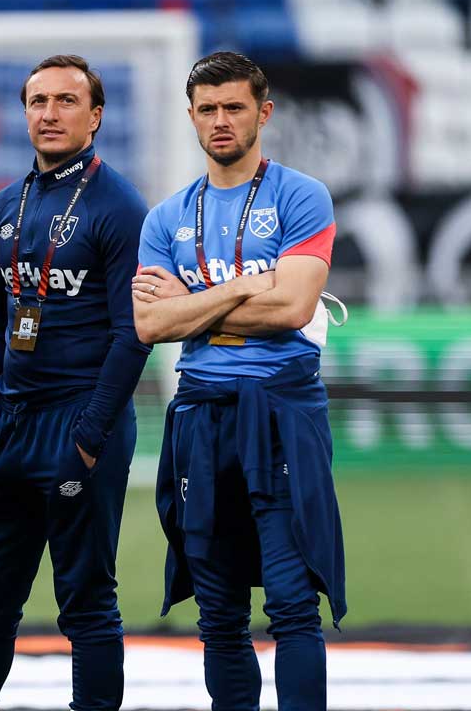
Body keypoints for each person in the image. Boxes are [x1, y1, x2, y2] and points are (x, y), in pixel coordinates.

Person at [132, 51, 347, 711]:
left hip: (280, 409)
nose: (220, 121)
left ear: (263, 112)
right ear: (191, 116)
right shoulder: (165, 216)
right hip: (200, 414)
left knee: (290, 602)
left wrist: (194, 306)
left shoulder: (301, 195)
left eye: (233, 107)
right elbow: (148, 325)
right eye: (208, 109)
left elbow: (293, 308)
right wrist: (245, 288)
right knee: (218, 612)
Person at [0, 55, 150, 711]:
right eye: (38, 100)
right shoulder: (5, 205)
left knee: (87, 605)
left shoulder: (119, 207)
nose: (49, 112)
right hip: (7, 426)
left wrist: (89, 435)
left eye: (66, 100)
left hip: (80, 421)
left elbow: (133, 333)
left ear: (94, 116)